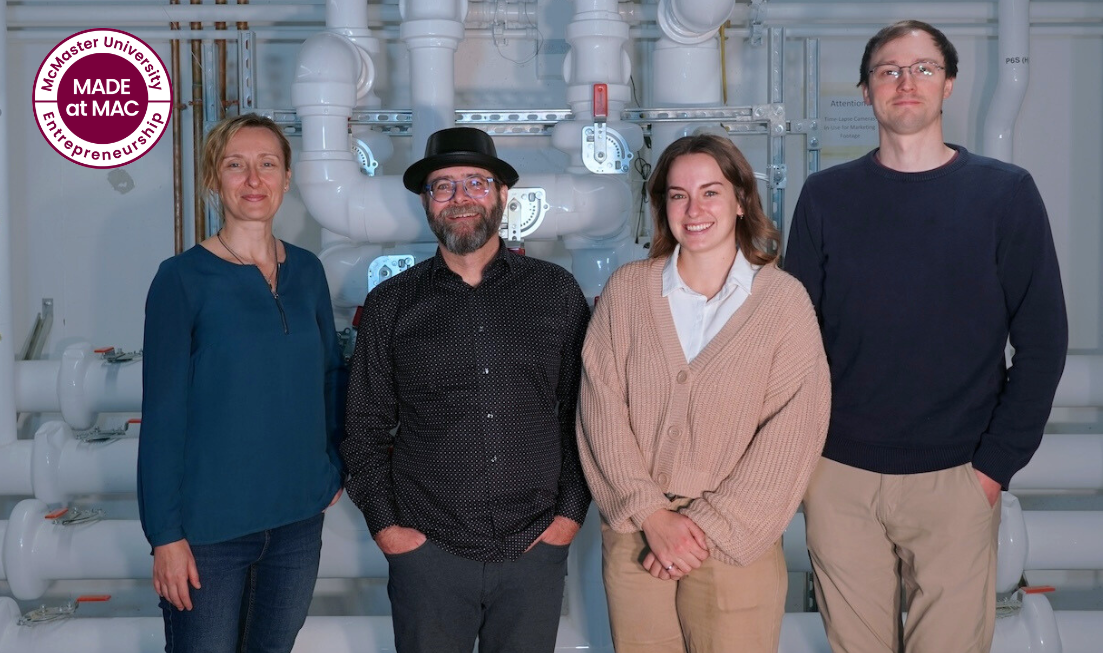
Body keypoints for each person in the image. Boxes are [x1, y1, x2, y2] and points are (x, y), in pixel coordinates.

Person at [785, 20, 1068, 653]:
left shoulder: (1006, 195)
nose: (905, 81)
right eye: (889, 70)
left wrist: (994, 468)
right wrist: (806, 466)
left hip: (958, 475)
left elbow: (1044, 341)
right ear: (866, 92)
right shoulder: (826, 198)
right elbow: (791, 339)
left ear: (948, 86)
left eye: (922, 68)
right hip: (839, 477)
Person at [577, 133, 831, 653]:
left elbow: (794, 431)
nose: (693, 209)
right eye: (677, 195)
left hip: (737, 542)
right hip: (636, 537)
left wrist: (700, 531)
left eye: (710, 192)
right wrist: (652, 515)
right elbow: (599, 411)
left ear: (741, 201)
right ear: (661, 206)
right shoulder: (627, 292)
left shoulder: (783, 303)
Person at [341, 127, 592, 653]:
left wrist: (568, 517)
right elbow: (362, 428)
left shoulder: (555, 292)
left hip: (535, 550)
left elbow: (585, 415)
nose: (460, 199)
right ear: (426, 203)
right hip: (428, 553)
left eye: (476, 183)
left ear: (502, 195)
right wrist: (391, 530)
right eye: (443, 186)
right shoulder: (391, 305)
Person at [138, 113, 344, 653]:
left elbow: (329, 376)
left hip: (297, 525)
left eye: (267, 164)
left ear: (287, 178)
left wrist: (332, 468)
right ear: (213, 180)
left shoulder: (308, 271)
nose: (254, 180)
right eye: (236, 165)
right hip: (209, 534)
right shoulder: (180, 279)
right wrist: (165, 536)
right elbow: (162, 414)